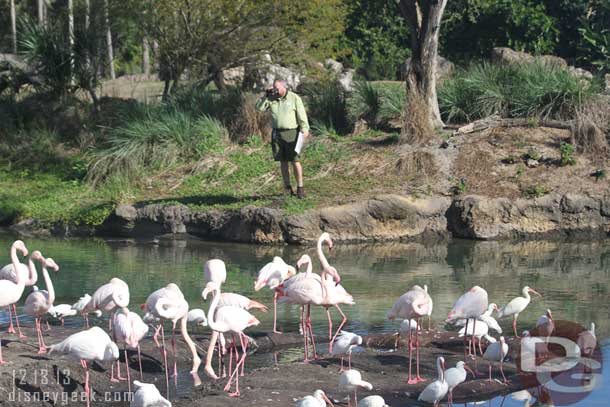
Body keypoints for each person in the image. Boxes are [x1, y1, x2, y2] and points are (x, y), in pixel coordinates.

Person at [255, 79, 310, 199]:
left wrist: (305, 129)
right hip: (277, 134)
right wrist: (265, 96)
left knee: (295, 161)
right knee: (283, 161)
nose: (275, 90)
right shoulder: (271, 98)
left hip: (292, 133)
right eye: (274, 88)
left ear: (284, 87)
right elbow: (259, 108)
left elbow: (302, 115)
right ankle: (287, 188)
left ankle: (300, 188)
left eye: (277, 88)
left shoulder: (294, 98)